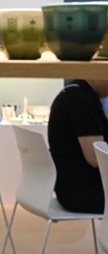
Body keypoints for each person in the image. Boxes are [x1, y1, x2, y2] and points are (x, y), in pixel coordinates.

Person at [48, 79, 108, 214]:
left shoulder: (72, 92)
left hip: (70, 188)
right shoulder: (82, 101)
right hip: (86, 193)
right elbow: (95, 157)